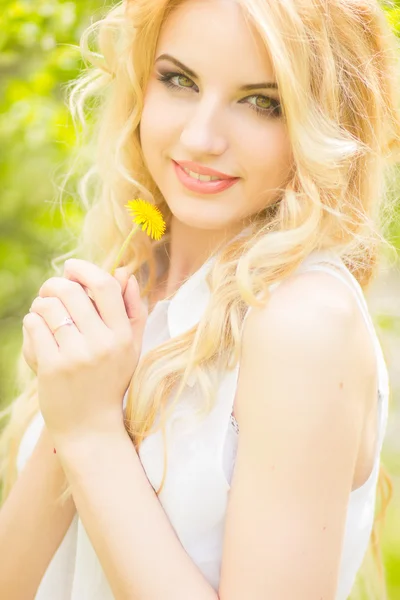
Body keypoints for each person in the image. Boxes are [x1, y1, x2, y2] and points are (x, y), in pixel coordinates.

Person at [0, 0, 399, 598]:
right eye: (179, 80)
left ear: (324, 123)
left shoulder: (303, 321)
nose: (200, 137)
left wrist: (90, 431)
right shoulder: (135, 277)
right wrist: (75, 409)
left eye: (263, 102)